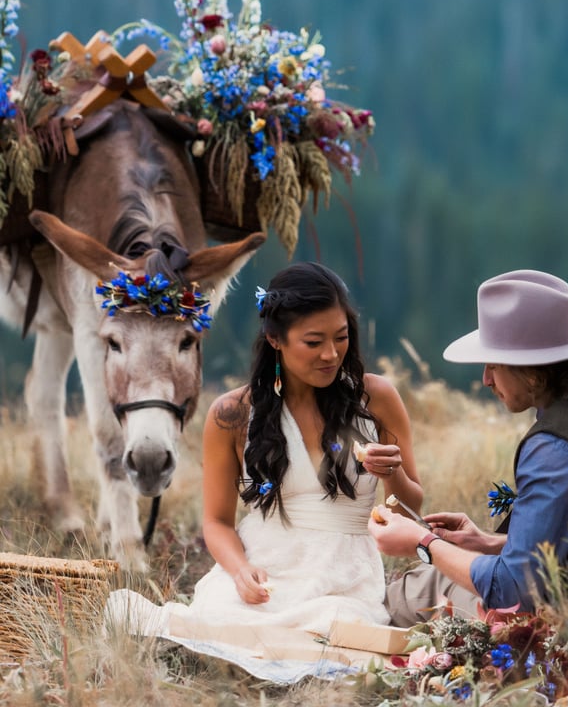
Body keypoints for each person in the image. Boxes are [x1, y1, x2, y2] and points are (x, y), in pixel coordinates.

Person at [107, 261, 423, 658]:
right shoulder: (231, 414)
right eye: (313, 342)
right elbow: (217, 522)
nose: (331, 354)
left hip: (342, 578)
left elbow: (410, 513)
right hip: (262, 569)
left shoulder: (376, 398)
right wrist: (239, 570)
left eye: (341, 338)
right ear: (275, 339)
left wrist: (392, 476)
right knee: (224, 628)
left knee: (330, 638)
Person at [372, 269, 568, 625]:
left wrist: (421, 543)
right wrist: (490, 542)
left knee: (411, 594)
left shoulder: (555, 447)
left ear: (531, 372)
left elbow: (513, 587)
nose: (486, 379)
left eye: (493, 365)